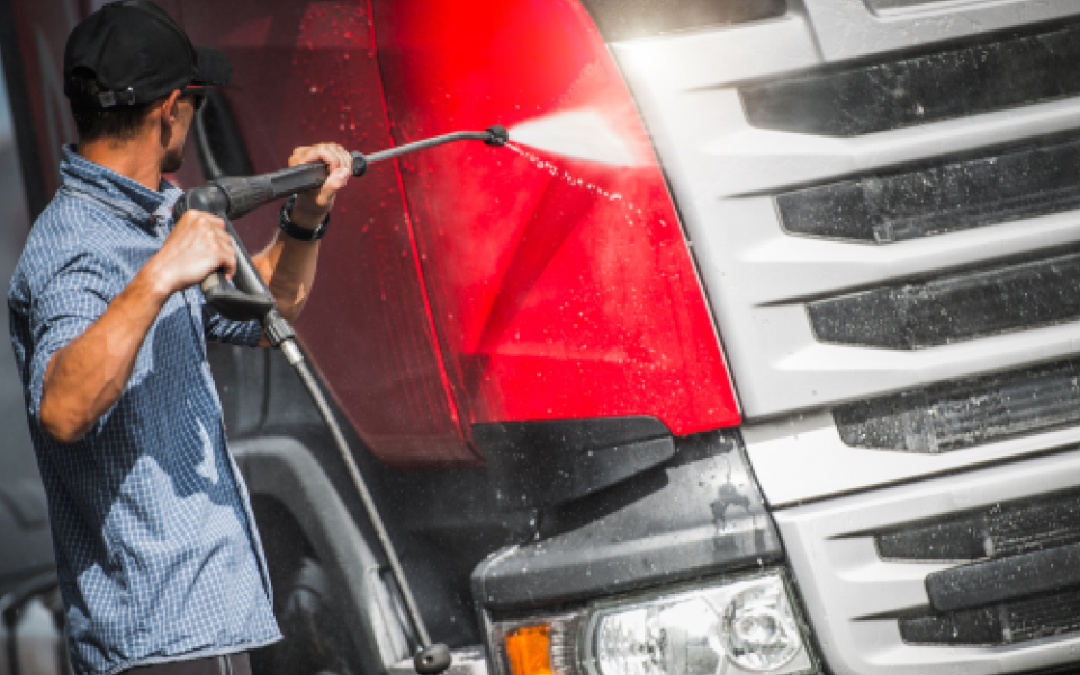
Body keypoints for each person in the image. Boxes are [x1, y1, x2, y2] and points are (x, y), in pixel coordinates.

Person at [7, 3, 353, 675]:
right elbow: (64, 407)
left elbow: (267, 309)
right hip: (158, 648)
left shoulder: (157, 215)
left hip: (212, 627)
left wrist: (307, 214)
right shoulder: (72, 249)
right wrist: (161, 273)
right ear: (171, 108)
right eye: (194, 102)